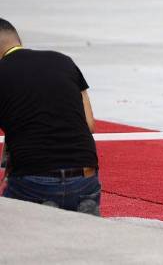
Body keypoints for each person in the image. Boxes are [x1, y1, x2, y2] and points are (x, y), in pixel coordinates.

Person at [0, 18, 101, 215]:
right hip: (85, 177)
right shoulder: (63, 61)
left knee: (8, 228)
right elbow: (89, 124)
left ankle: (46, 210)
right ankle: (75, 209)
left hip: (33, 179)